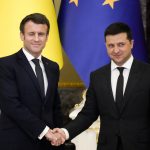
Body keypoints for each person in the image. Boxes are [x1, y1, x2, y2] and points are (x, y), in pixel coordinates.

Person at [53, 22, 150, 150]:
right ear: (106, 46)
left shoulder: (147, 73)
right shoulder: (97, 77)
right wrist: (64, 133)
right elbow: (88, 115)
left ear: (131, 44)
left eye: (121, 44)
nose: (116, 50)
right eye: (111, 45)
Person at [0, 13, 65, 150]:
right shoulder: (5, 65)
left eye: (41, 34)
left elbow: (55, 105)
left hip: (48, 144)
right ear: (22, 36)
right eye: (31, 34)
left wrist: (60, 133)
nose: (36, 39)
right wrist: (45, 131)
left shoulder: (53, 67)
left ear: (47, 37)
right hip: (16, 143)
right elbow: (11, 105)